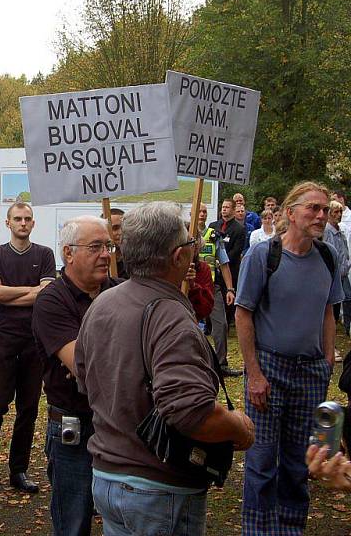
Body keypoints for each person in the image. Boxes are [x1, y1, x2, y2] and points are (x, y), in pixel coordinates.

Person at [75, 202, 255, 536]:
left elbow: (85, 380)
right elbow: (189, 412)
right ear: (177, 257)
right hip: (157, 489)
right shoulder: (170, 316)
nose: (194, 250)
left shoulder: (104, 302)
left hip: (108, 480)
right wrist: (238, 427)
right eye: (191, 244)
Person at [236, 181, 344, 534]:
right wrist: (253, 374)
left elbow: (329, 311)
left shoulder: (328, 256)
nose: (320, 215)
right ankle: (259, 530)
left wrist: (327, 359)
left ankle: (290, 528)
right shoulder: (264, 255)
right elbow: (243, 313)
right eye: (313, 208)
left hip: (311, 372)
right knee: (263, 460)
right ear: (290, 213)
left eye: (324, 209)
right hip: (269, 368)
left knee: (300, 463)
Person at [32, 216, 119, 536]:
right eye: (95, 246)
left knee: (120, 516)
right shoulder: (52, 300)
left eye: (108, 246)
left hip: (119, 425)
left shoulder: (120, 291)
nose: (106, 254)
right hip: (74, 428)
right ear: (68, 253)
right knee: (73, 521)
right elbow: (85, 368)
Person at [0, 202, 56, 493]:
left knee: (29, 408)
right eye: (17, 219)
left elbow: (46, 294)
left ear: (33, 224)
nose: (23, 223)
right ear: (8, 223)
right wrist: (31, 291)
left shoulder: (44, 254)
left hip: (33, 339)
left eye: (27, 219)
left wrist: (8, 293)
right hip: (3, 336)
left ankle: (19, 469)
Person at [198, 203, 241, 377]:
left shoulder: (214, 236)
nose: (202, 214)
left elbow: (224, 263)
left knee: (221, 324)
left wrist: (230, 289)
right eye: (199, 211)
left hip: (212, 287)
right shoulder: (184, 232)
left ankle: (221, 364)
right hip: (188, 287)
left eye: (204, 211)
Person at [209, 198, 246, 326]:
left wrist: (222, 260)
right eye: (223, 207)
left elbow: (237, 250)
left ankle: (227, 322)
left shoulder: (239, 229)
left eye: (227, 207)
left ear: (234, 210)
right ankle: (209, 325)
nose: (224, 209)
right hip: (213, 270)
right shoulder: (213, 226)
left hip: (230, 268)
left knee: (227, 298)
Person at [324, 200, 351, 348]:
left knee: (347, 299)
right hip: (332, 274)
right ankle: (329, 341)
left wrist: (346, 265)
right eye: (335, 212)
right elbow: (329, 253)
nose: (338, 215)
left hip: (343, 273)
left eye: (340, 212)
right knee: (332, 307)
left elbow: (345, 252)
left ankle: (347, 328)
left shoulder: (340, 231)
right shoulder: (327, 231)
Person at [108, 208, 127, 278]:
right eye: (115, 228)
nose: (120, 232)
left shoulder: (134, 260)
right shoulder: (102, 261)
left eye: (123, 227)